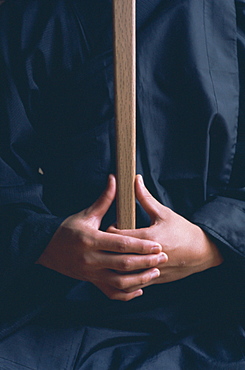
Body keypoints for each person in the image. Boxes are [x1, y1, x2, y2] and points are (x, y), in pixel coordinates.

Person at [0, 0, 244, 368]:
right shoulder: (30, 14)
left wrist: (209, 244)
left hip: (215, 303)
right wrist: (47, 243)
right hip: (49, 302)